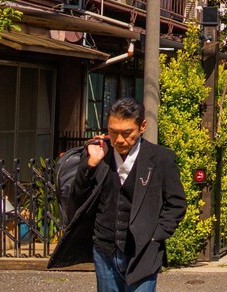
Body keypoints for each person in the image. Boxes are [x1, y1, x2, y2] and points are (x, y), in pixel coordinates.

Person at [49, 98, 187, 291]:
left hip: (143, 252)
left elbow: (176, 204)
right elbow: (77, 198)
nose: (119, 140)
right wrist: (90, 164)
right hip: (105, 250)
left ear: (142, 127)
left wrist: (156, 236)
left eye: (127, 133)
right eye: (113, 132)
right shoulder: (97, 154)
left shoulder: (161, 158)